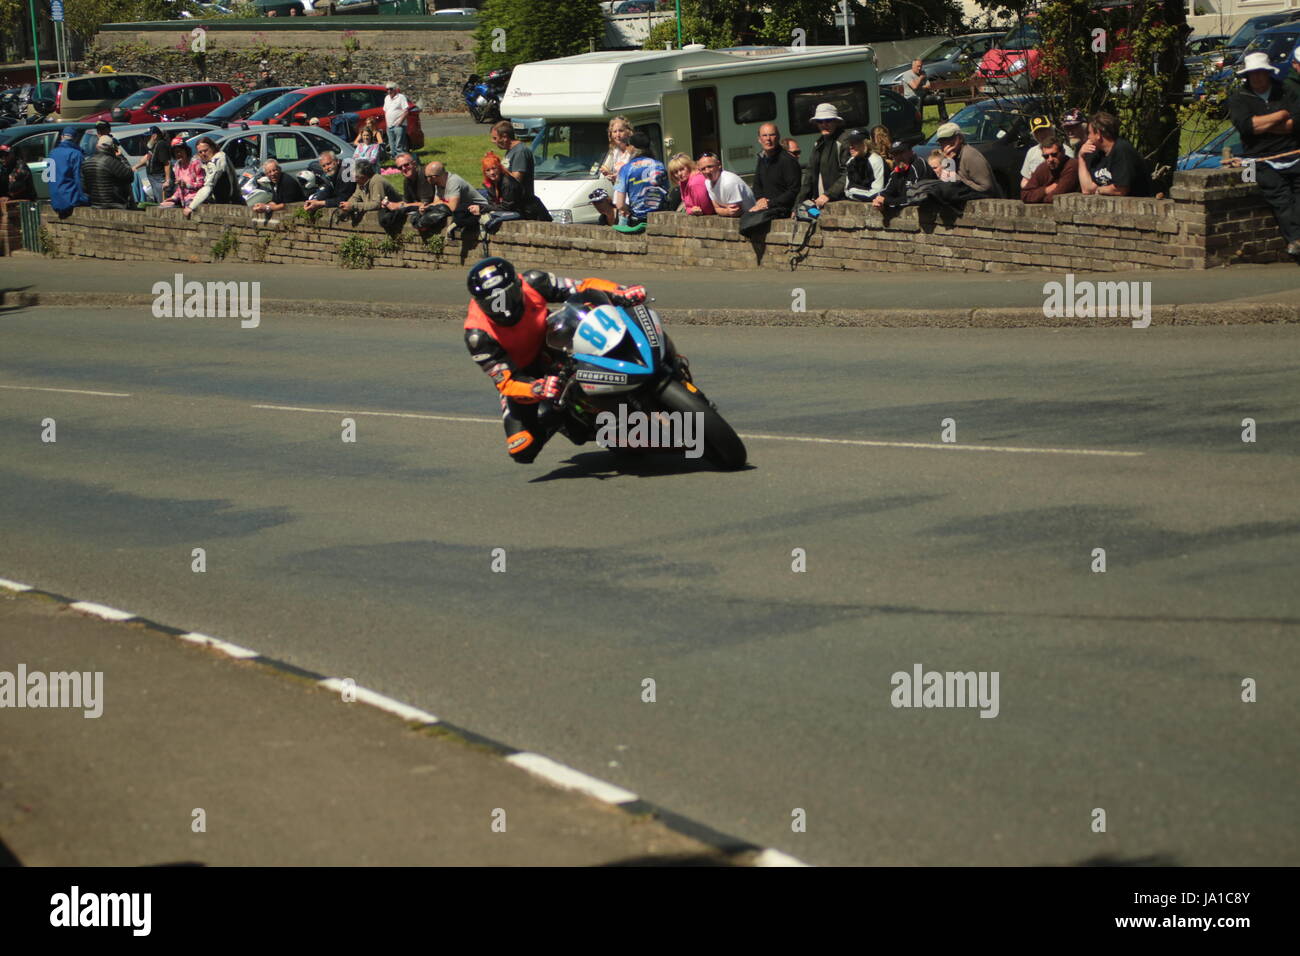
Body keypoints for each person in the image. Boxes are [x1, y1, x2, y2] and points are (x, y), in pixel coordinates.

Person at [463, 257, 647, 464]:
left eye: (509, 296)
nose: (503, 308)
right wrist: (536, 389)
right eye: (492, 304)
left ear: (518, 284)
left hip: (554, 340)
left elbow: (582, 287)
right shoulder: (478, 337)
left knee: (604, 330)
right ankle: (578, 423)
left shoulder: (535, 281)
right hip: (525, 372)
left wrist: (620, 291)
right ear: (478, 302)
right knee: (522, 448)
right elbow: (506, 382)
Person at [1226, 51, 1300, 257]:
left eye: (1261, 73)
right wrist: (1282, 115)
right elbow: (1247, 127)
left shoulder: (1286, 91)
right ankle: (1296, 239)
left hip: (1293, 153)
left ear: (1268, 73)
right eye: (1253, 74)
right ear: (1247, 76)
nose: (1257, 77)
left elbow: (1296, 124)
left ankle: (1297, 238)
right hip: (1260, 158)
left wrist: (1263, 123)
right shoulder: (1239, 98)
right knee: (1280, 198)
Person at [1076, 111, 1153, 198]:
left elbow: (1120, 190)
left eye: (1089, 133)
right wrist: (1081, 157)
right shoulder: (1096, 154)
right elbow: (1087, 189)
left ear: (1098, 134)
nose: (1088, 137)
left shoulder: (1122, 149)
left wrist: (1099, 190)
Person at [796, 102, 852, 210]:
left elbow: (848, 173)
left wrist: (828, 194)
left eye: (828, 121)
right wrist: (798, 204)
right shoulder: (818, 144)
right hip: (822, 202)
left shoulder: (844, 142)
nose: (824, 124)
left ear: (836, 122)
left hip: (840, 201)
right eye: (820, 121)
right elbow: (809, 175)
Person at [609, 131, 667, 229]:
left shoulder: (626, 169)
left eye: (628, 145)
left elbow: (620, 204)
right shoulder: (660, 165)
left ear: (632, 147)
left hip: (638, 220)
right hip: (660, 220)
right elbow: (666, 192)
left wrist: (627, 210)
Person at [933, 121, 1002, 200]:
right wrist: (948, 163)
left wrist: (958, 179)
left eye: (950, 139)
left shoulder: (970, 155)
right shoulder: (950, 157)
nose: (946, 144)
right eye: (942, 141)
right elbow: (946, 186)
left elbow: (987, 189)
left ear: (960, 138)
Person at [468, 151, 526, 233]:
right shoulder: (491, 183)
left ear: (500, 168)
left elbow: (507, 208)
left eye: (494, 168)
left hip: (529, 214)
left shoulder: (507, 183)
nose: (492, 173)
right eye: (488, 170)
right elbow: (493, 204)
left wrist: (482, 208)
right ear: (485, 173)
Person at [751, 123, 801, 218]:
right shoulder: (762, 159)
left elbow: (794, 190)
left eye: (772, 135)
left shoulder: (788, 160)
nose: (768, 139)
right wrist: (760, 199)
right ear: (759, 139)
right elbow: (757, 185)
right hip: (766, 208)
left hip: (783, 210)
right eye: (764, 135)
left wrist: (769, 203)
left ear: (778, 137)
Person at [184, 136, 243, 217]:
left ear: (213, 148)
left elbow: (208, 186)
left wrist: (191, 206)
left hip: (232, 205)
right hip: (223, 205)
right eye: (200, 152)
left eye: (205, 150)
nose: (203, 154)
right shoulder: (207, 161)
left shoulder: (218, 159)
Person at [872, 140, 936, 210]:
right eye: (895, 154)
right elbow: (887, 192)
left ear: (911, 152)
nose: (899, 157)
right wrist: (878, 200)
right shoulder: (896, 172)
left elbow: (916, 197)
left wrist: (887, 201)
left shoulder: (919, 165)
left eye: (901, 153)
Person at [426, 160, 482, 236]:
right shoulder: (438, 183)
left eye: (428, 177)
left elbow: (452, 207)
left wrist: (440, 203)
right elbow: (436, 204)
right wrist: (426, 208)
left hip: (480, 209)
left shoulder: (453, 181)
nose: (427, 179)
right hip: (463, 211)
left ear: (435, 177)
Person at [1020, 135, 1080, 204]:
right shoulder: (1043, 168)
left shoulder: (1072, 165)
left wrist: (1037, 197)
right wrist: (1046, 190)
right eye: (1046, 156)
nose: (1050, 159)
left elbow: (1055, 197)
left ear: (1063, 152)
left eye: (1054, 155)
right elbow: (1025, 195)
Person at [1020, 116, 1075, 189]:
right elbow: (1025, 180)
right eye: (1037, 132)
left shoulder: (1066, 150)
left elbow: (1071, 178)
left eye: (1044, 130)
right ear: (1034, 135)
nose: (1041, 134)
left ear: (1052, 129)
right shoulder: (1031, 152)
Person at [82, 135, 135, 209]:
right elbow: (130, 176)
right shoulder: (111, 162)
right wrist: (121, 157)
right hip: (114, 204)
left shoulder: (86, 163)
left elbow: (84, 187)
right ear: (111, 147)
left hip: (95, 204)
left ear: (97, 146)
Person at [48, 126, 89, 218]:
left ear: (62, 137)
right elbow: (79, 179)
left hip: (55, 200)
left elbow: (50, 178)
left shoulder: (52, 153)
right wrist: (84, 198)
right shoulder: (76, 154)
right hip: (71, 199)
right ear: (75, 139)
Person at [698, 152, 754, 217]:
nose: (707, 171)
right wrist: (726, 211)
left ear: (719, 165)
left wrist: (722, 209)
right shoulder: (707, 182)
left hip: (751, 219)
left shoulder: (729, 182)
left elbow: (735, 212)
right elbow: (716, 208)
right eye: (703, 169)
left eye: (710, 166)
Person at [161, 136, 205, 209]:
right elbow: (180, 188)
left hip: (196, 201)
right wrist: (173, 197)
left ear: (186, 150)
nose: (178, 154)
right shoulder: (177, 166)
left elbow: (202, 185)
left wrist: (187, 185)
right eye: (175, 152)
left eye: (180, 151)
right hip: (184, 201)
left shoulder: (195, 163)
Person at [899, 57, 948, 121]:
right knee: (918, 98)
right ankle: (919, 120)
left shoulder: (923, 72)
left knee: (939, 98)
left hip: (923, 96)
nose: (919, 68)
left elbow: (928, 86)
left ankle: (944, 119)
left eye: (921, 66)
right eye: (918, 66)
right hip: (911, 98)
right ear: (913, 66)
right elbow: (915, 87)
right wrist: (921, 78)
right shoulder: (907, 74)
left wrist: (921, 87)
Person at [843, 129, 887, 201]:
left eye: (855, 143)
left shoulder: (876, 160)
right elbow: (847, 190)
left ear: (866, 143)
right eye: (850, 143)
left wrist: (854, 191)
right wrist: (854, 191)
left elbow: (878, 191)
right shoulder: (850, 162)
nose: (851, 147)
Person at [131, 126, 171, 205]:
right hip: (152, 177)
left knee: (162, 200)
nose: (146, 139)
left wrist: (167, 180)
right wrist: (136, 166)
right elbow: (147, 158)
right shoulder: (153, 146)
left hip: (159, 177)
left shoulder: (161, 144)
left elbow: (167, 163)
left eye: (148, 137)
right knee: (156, 198)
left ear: (154, 136)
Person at [599, 116, 635, 183]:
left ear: (628, 132)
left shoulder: (634, 151)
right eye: (614, 131)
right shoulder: (614, 151)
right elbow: (606, 169)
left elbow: (637, 174)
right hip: (618, 191)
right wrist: (608, 175)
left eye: (621, 131)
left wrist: (618, 176)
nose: (618, 135)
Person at [383, 81, 410, 157]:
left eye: (390, 89)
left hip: (399, 126)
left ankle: (403, 161)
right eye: (387, 89)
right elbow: (385, 111)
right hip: (389, 126)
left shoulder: (401, 97)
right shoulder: (386, 98)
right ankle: (396, 162)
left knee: (399, 146)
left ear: (395, 89)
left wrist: (399, 122)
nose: (389, 91)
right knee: (392, 147)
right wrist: (387, 123)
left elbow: (406, 111)